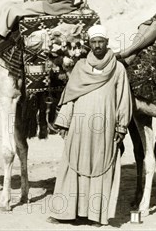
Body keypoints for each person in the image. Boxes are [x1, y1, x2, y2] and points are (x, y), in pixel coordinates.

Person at [47, 25, 133, 226]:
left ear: (107, 42)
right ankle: (65, 213)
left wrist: (121, 126)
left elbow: (123, 99)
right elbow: (70, 94)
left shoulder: (118, 69)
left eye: (100, 41)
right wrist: (64, 121)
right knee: (71, 164)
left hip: (105, 127)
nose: (97, 46)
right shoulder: (80, 66)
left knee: (101, 167)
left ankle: (95, 216)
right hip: (79, 126)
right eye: (93, 42)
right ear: (89, 44)